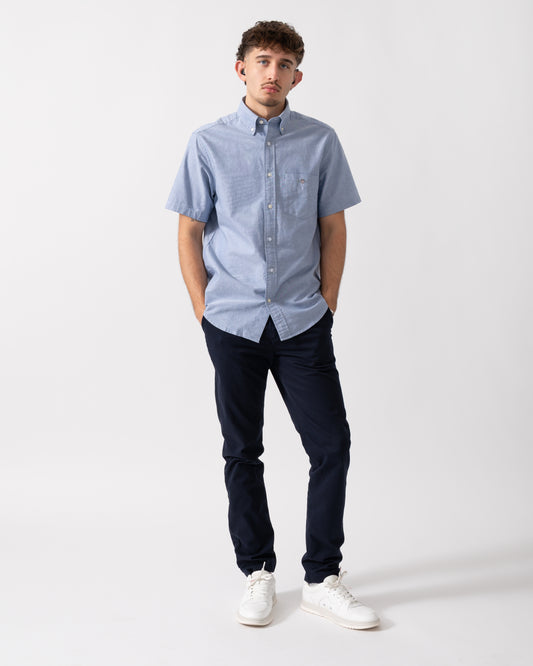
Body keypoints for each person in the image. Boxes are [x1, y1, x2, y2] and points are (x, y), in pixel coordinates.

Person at [165, 20, 379, 630]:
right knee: (242, 450)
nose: (272, 73)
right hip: (232, 322)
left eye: (284, 64)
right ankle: (258, 571)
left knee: (331, 445)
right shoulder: (207, 143)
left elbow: (333, 226)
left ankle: (321, 578)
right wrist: (204, 310)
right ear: (241, 69)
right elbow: (188, 231)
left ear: (297, 77)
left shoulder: (320, 140)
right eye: (262, 61)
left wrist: (328, 300)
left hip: (302, 321)